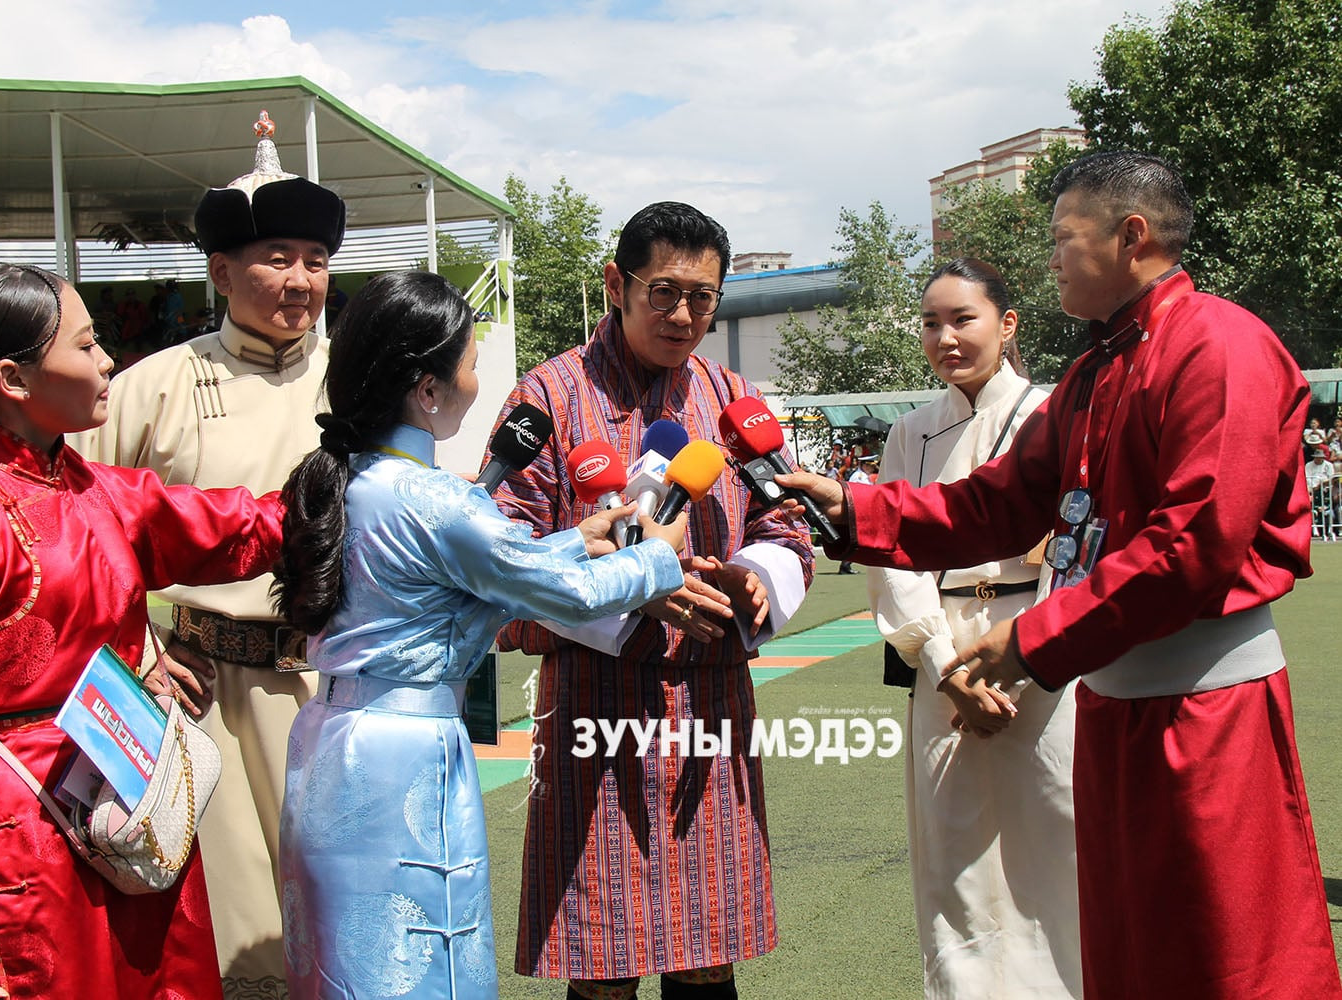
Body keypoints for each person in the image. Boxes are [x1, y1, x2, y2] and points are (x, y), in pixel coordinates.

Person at [776, 151, 1339, 1000]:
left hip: (1203, 708)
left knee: (1224, 948)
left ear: (1131, 237)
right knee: (1120, 945)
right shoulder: (1094, 371)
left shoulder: (1219, 344)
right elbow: (999, 503)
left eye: (1063, 239)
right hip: (1110, 700)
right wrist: (859, 512)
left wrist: (1033, 637)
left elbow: (1197, 542)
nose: (1051, 261)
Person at [0, 262, 286, 1000]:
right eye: (86, 347)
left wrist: (367, 467)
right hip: (24, 831)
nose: (107, 361)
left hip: (134, 802)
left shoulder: (102, 492)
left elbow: (249, 525)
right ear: (13, 379)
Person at [274, 270, 688, 1000]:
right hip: (404, 754)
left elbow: (477, 574)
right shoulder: (436, 500)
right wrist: (658, 555)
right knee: (425, 960)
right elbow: (565, 592)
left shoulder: (346, 477)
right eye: (468, 365)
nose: (475, 383)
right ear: (426, 388)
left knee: (341, 969)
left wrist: (571, 537)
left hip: (328, 742)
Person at [492, 201, 815, 1000]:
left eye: (702, 297)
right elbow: (501, 565)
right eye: (663, 291)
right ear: (616, 283)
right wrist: (635, 599)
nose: (683, 315)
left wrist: (758, 581)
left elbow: (789, 527)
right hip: (593, 709)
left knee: (709, 958)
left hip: (712, 702)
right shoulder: (549, 396)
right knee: (604, 963)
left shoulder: (732, 394)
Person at [68, 110, 344, 998]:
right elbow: (81, 534)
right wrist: (143, 654)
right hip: (201, 697)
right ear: (222, 270)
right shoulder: (148, 386)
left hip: (337, 687)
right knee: (236, 942)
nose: (299, 280)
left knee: (345, 919)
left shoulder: (364, 380)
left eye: (315, 258)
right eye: (276, 257)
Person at [870, 257, 1078, 997]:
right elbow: (892, 557)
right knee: (954, 860)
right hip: (942, 659)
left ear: (1007, 323)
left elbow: (1081, 543)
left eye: (963, 319)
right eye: (931, 323)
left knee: (1057, 851)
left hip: (1043, 652)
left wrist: (1033, 649)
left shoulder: (1057, 414)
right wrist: (946, 667)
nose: (946, 337)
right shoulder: (910, 433)